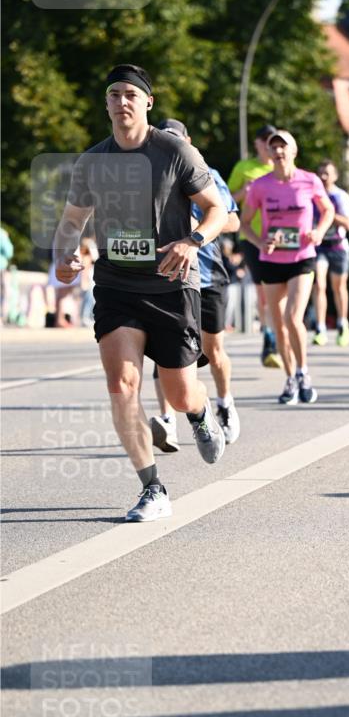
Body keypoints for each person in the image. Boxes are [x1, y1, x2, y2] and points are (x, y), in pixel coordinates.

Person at [54, 63, 228, 522]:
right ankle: (153, 487)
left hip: (172, 286)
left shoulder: (174, 151)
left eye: (131, 93)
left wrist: (193, 242)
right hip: (116, 285)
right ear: (107, 103)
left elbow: (216, 209)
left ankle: (200, 412)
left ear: (147, 102)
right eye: (114, 94)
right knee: (121, 385)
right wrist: (64, 257)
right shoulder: (93, 161)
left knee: (179, 388)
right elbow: (73, 221)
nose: (122, 101)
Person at [149, 118, 241, 452]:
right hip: (170, 275)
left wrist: (197, 225)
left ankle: (225, 403)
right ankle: (167, 421)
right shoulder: (149, 176)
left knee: (213, 349)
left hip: (208, 273)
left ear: (187, 140)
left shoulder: (206, 172)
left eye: (176, 139)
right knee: (164, 351)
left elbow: (232, 219)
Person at [240, 129, 334, 404]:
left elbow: (327, 210)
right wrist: (260, 242)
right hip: (271, 260)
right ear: (268, 154)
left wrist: (318, 231)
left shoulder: (309, 180)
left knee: (294, 317)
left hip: (302, 257)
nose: (279, 152)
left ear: (294, 151)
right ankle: (290, 377)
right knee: (278, 324)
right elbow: (244, 222)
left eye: (284, 147)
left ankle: (304, 373)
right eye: (274, 148)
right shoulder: (260, 185)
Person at [227, 124, 281, 368]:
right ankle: (269, 338)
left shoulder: (282, 167)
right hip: (251, 237)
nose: (269, 144)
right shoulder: (245, 168)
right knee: (263, 291)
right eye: (264, 139)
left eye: (273, 140)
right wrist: (243, 192)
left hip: (281, 238)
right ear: (257, 143)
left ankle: (280, 329)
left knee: (282, 292)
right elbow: (223, 200)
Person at [311, 160, 349, 347]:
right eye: (321, 173)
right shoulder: (312, 196)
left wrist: (329, 214)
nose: (323, 177)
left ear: (335, 176)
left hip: (338, 246)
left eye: (327, 173)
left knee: (338, 287)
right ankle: (320, 327)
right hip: (319, 246)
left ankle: (342, 324)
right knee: (319, 284)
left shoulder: (341, 196)